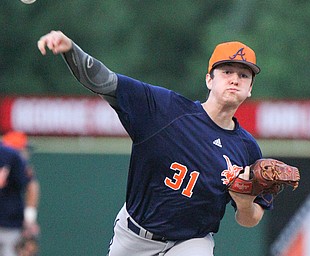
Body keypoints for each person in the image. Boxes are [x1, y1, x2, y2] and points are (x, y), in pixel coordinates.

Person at [37, 31, 273, 256]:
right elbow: (105, 81)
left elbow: (250, 219)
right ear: (209, 79)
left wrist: (245, 203)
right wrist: (71, 50)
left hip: (191, 241)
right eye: (227, 72)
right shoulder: (165, 109)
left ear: (250, 88)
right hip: (134, 236)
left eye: (244, 75)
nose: (235, 80)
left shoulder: (247, 148)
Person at [0, 131, 40, 256]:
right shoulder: (14, 157)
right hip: (9, 224)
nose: (26, 153)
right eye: (24, 148)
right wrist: (30, 219)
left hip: (9, 224)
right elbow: (32, 186)